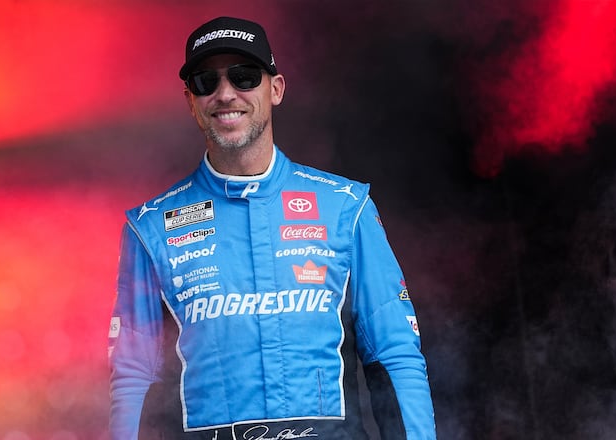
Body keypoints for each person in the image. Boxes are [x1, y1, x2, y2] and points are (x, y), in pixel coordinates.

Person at [108, 16, 436, 440]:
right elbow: (134, 376)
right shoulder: (149, 229)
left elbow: (393, 355)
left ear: (275, 89)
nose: (226, 94)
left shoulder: (345, 207)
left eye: (244, 77)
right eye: (207, 82)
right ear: (191, 100)